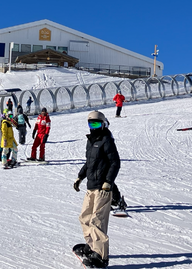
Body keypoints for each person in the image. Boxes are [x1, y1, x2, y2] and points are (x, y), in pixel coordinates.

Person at [72, 111, 120, 268]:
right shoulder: (91, 141)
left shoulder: (106, 140)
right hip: (91, 186)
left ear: (103, 123)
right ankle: (91, 246)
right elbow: (89, 163)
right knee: (85, 217)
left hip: (102, 187)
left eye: (96, 124)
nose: (93, 127)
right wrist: (80, 177)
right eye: (91, 124)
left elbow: (115, 162)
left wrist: (108, 181)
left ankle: (100, 256)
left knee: (97, 220)